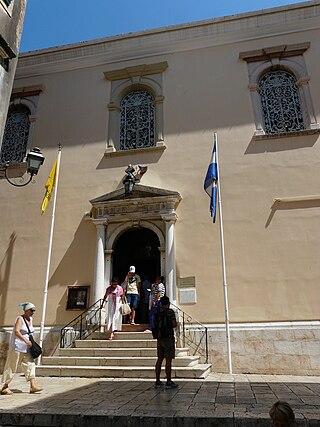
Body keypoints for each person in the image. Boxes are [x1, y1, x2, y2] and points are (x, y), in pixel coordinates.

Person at [1, 302, 43, 395]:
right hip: (17, 346)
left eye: (34, 310)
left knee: (30, 364)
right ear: (26, 310)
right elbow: (16, 332)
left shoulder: (30, 319)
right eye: (32, 310)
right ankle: (5, 387)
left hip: (27, 347)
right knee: (12, 366)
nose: (33, 312)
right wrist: (25, 340)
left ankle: (33, 386)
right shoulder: (20, 319)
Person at [154, 296, 178, 389]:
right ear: (168, 303)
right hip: (168, 337)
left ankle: (157, 380)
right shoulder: (170, 312)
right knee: (168, 359)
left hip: (160, 338)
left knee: (159, 359)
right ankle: (168, 381)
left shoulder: (157, 313)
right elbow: (174, 324)